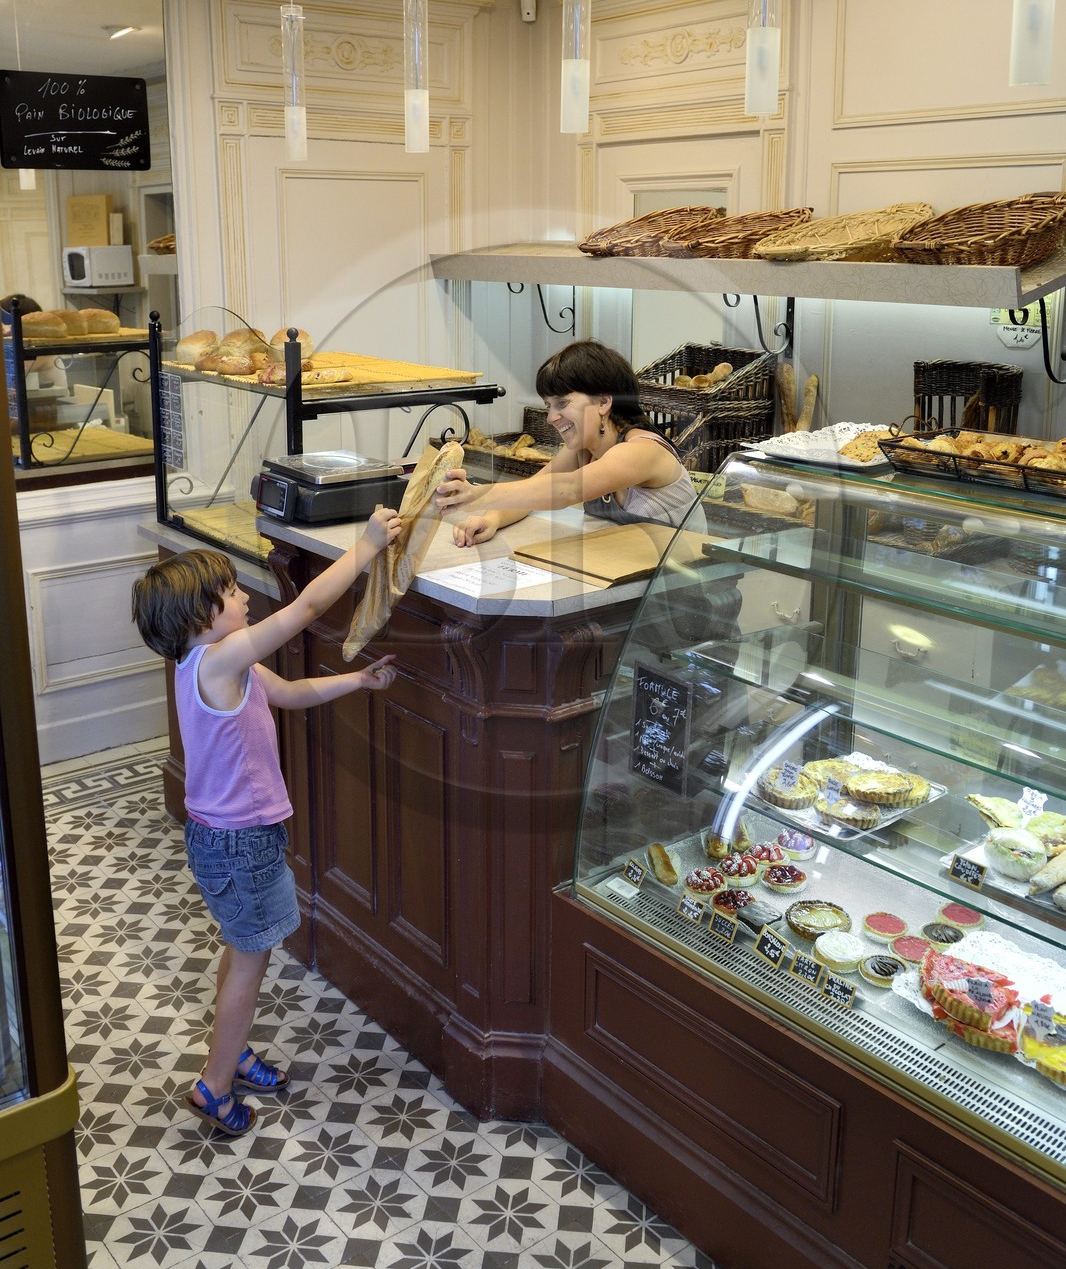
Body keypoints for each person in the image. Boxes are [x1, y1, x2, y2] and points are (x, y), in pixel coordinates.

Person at [131, 515, 402, 1136]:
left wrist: (358, 680)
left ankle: (233, 1053)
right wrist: (367, 546)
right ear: (201, 619)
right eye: (230, 593)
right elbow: (305, 607)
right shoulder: (217, 662)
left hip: (228, 838)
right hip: (239, 843)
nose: (245, 596)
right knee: (251, 961)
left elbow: (292, 692)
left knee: (241, 946)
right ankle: (215, 1086)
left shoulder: (218, 666)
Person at [435, 339, 707, 544]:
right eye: (548, 405)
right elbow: (537, 490)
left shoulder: (643, 451)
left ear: (603, 402)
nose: (551, 417)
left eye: (562, 403)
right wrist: (491, 518)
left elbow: (568, 489)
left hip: (689, 599)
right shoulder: (584, 449)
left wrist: (478, 494)